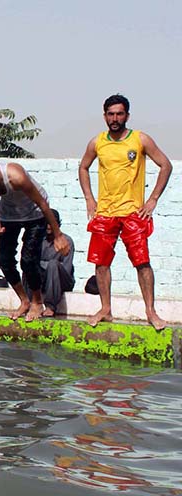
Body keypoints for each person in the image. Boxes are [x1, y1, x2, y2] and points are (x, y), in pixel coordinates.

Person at [78, 94, 173, 330]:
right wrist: (90, 198)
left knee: (142, 262)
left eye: (119, 114)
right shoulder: (97, 142)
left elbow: (165, 165)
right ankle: (106, 309)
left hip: (133, 213)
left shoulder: (140, 139)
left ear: (127, 115)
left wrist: (152, 199)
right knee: (101, 263)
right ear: (104, 116)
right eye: (110, 114)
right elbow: (83, 167)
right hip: (105, 214)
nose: (115, 118)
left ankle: (150, 311)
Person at [0, 150, 70, 322]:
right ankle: (24, 301)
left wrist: (58, 235)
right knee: (3, 260)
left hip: (35, 214)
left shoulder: (16, 176)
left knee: (28, 260)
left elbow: (43, 204)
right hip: (9, 214)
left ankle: (37, 301)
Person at [34, 209, 75, 317]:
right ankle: (30, 303)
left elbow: (67, 269)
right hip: (43, 279)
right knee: (29, 266)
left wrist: (50, 268)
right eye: (46, 223)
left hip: (62, 281)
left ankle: (50, 307)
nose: (49, 226)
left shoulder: (66, 241)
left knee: (53, 264)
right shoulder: (38, 240)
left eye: (52, 223)